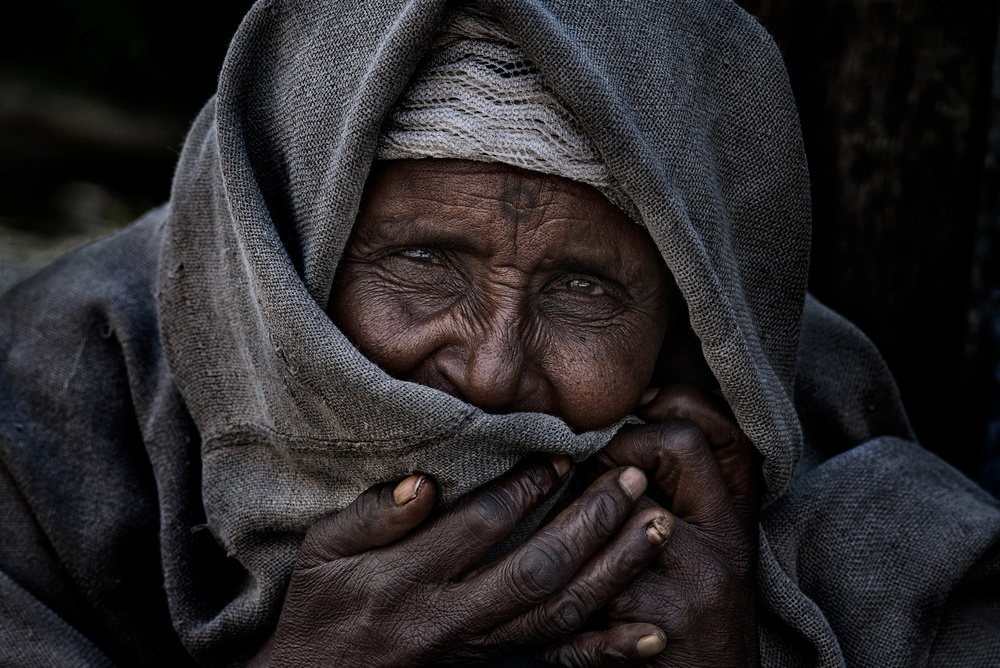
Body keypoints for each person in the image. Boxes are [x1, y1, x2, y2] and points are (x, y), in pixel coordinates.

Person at [1, 1, 998, 667]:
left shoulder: (815, 449)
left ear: (688, 321)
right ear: (288, 257)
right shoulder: (53, 408)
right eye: (425, 260)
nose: (490, 369)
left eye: (582, 288)